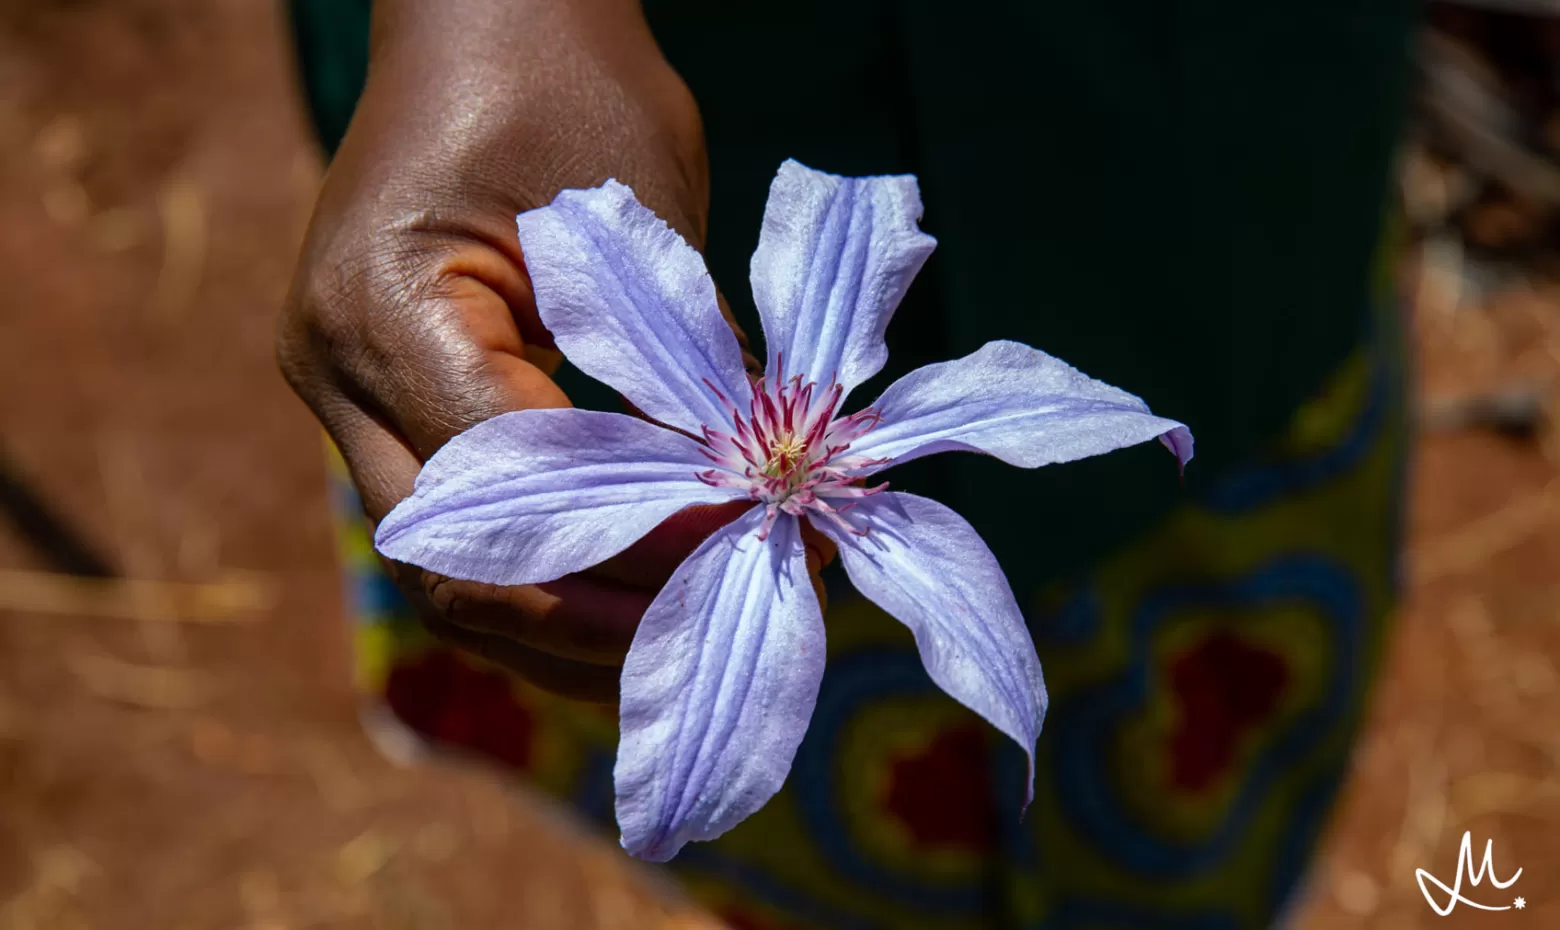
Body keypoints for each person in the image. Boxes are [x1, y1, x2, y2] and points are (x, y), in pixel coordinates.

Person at [278, 2, 1417, 926]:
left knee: (1187, 812)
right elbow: (482, 448)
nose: (785, 447)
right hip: (729, 78)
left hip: (1211, 192)